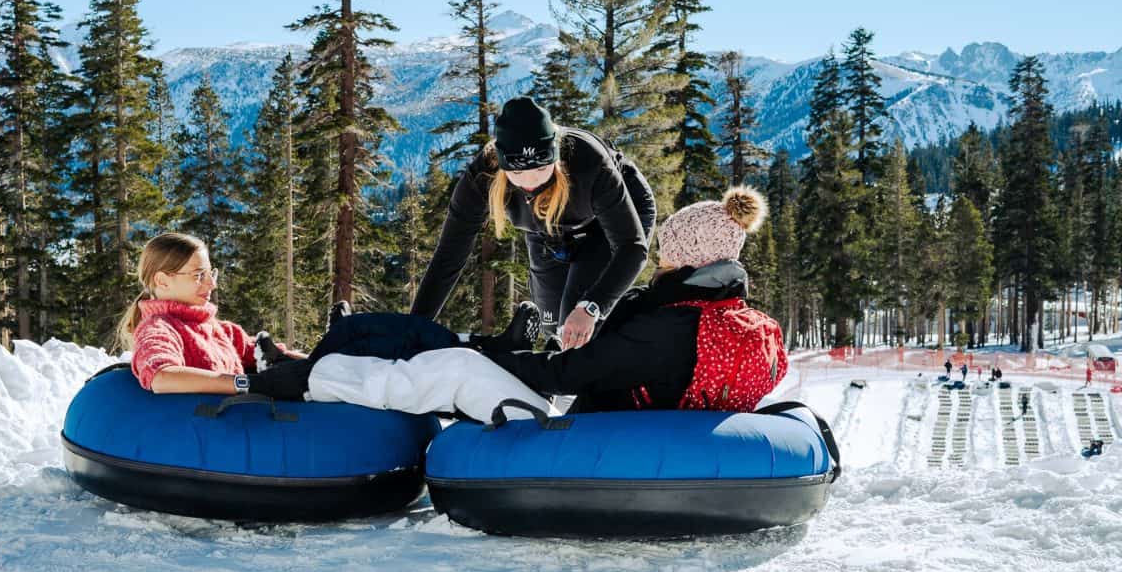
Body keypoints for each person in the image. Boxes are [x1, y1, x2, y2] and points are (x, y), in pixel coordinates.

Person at [117, 232, 548, 423]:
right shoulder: (160, 330)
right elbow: (161, 377)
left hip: (293, 380)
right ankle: (485, 348)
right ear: (161, 281)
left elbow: (278, 362)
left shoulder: (223, 330)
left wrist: (287, 362)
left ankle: (486, 346)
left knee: (365, 335)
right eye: (198, 275)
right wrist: (244, 383)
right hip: (275, 394)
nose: (210, 283)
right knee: (354, 343)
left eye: (211, 272)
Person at [483, 187, 788, 414]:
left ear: (686, 259)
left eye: (666, 254)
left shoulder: (669, 330)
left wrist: (495, 359)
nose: (659, 261)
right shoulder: (743, 319)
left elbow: (567, 374)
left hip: (619, 450)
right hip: (697, 451)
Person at [411, 96, 657, 351]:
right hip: (547, 230)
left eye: (541, 170)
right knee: (551, 325)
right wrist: (414, 326)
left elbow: (632, 247)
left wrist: (592, 306)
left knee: (574, 330)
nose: (530, 182)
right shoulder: (483, 176)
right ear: (501, 164)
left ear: (555, 157)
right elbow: (449, 255)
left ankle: (604, 374)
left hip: (609, 225)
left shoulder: (588, 163)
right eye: (516, 173)